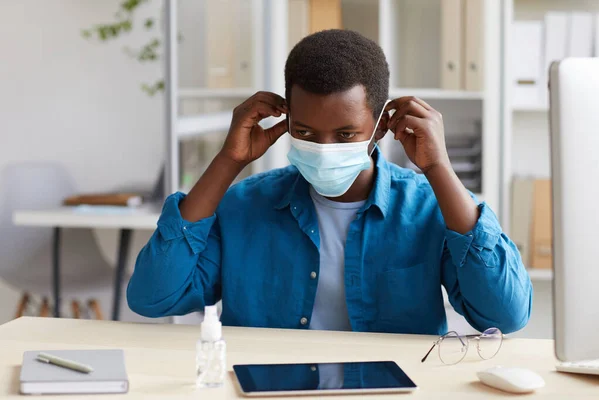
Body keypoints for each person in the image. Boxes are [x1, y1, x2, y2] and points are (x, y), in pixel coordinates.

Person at [127, 30, 532, 337]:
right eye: (304, 131)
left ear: (380, 126)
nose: (323, 148)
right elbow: (153, 298)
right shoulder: (244, 206)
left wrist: (438, 167)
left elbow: (505, 314)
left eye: (345, 134)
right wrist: (229, 161)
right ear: (286, 120)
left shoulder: (429, 209)